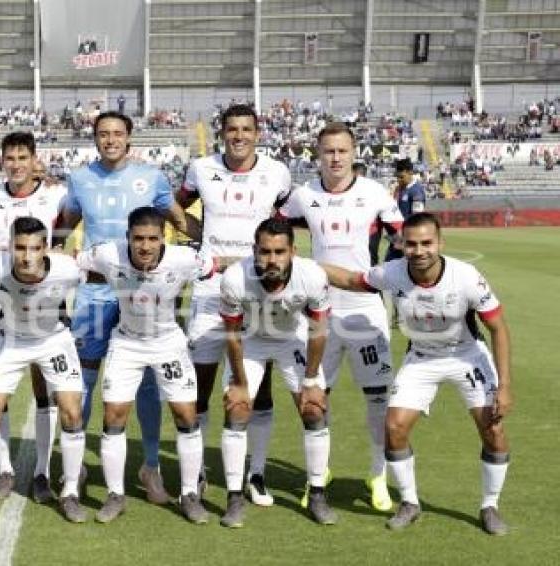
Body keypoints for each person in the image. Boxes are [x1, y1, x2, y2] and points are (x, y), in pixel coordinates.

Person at [320, 212, 513, 535]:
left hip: (467, 357)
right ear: (401, 244)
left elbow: (498, 328)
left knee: (493, 431)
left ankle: (490, 505)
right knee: (393, 427)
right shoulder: (392, 273)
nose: (419, 250)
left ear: (440, 243)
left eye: (426, 243)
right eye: (411, 244)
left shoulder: (466, 276)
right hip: (421, 359)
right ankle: (409, 502)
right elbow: (353, 280)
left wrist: (505, 386)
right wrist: (310, 265)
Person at [54, 111, 198, 504]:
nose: (110, 140)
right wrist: (55, 260)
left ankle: (149, 466)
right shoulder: (81, 178)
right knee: (83, 378)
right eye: (103, 134)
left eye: (117, 133)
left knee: (150, 381)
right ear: (95, 139)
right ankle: (78, 465)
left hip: (145, 294)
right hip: (97, 292)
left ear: (129, 138)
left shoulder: (151, 178)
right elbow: (65, 223)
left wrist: (212, 241)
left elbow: (178, 218)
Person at [279, 121, 404, 519]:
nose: (335, 158)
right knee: (313, 398)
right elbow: (276, 230)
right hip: (318, 312)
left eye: (342, 151)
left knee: (378, 402)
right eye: (327, 151)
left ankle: (377, 477)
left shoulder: (375, 194)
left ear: (354, 154)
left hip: (366, 310)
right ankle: (319, 475)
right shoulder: (303, 196)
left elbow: (404, 238)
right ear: (317, 155)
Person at [177, 104, 292, 505]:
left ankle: (255, 473)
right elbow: (174, 208)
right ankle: (199, 470)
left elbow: (282, 225)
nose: (239, 136)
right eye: (231, 129)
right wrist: (200, 241)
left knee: (258, 389)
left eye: (246, 129)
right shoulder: (200, 169)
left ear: (258, 133)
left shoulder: (278, 173)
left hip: (261, 290)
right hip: (210, 289)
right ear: (221, 133)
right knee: (201, 384)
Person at [76, 207, 213, 524]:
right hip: (126, 343)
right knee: (113, 415)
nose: (146, 246)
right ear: (127, 238)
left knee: (186, 414)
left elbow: (215, 268)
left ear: (163, 237)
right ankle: (115, 494)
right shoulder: (109, 254)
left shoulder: (183, 259)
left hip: (168, 343)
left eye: (153, 238)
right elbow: (74, 261)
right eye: (138, 239)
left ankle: (190, 493)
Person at [0, 132, 68, 502]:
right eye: (10, 158)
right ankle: (6, 469)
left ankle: (42, 470)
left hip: (45, 302)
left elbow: (65, 236)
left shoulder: (56, 195)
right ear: (2, 160)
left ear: (34, 159)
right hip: (0, 304)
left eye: (23, 157)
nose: (16, 164)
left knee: (46, 389)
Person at [0, 217, 87, 524]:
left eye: (34, 248)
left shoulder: (67, 270)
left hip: (53, 339)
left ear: (46, 249)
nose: (26, 256)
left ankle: (70, 491)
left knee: (72, 412)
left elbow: (96, 276)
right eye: (19, 247)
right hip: (12, 340)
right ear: (9, 247)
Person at [218, 218, 331, 527]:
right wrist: (239, 383)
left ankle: (318, 493)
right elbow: (232, 335)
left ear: (293, 251)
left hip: (289, 339)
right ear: (254, 251)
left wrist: (310, 381)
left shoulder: (312, 276)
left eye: (279, 252)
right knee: (238, 408)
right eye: (265, 251)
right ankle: (234, 497)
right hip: (250, 340)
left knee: (314, 409)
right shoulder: (234, 278)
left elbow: (319, 331)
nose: (272, 259)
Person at [387, 158, 426, 261]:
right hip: (398, 236)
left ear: (410, 173)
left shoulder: (416, 191)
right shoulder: (401, 188)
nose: (398, 180)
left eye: (401, 177)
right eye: (397, 177)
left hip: (407, 237)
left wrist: (402, 233)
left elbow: (416, 217)